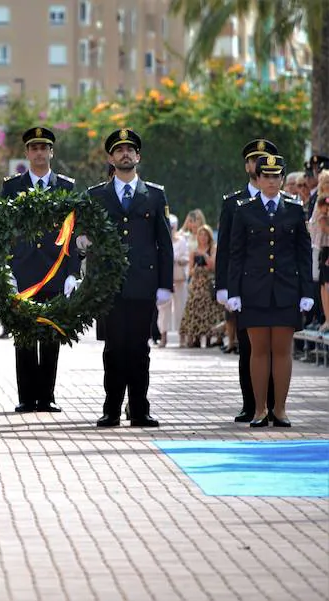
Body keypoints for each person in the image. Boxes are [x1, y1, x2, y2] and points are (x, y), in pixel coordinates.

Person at [87, 129, 172, 428]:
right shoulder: (96, 196)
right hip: (109, 286)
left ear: (138, 156)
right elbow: (83, 237)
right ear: (110, 158)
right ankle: (111, 408)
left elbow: (164, 243)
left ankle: (139, 409)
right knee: (113, 349)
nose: (125, 154)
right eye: (119, 150)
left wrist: (165, 284)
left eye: (130, 150)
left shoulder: (154, 194)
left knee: (139, 349)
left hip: (142, 285)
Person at [227, 154, 313, 427]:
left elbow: (304, 254)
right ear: (258, 177)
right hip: (254, 289)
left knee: (282, 350)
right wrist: (234, 291)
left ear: (282, 178)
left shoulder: (295, 208)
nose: (272, 181)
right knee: (259, 350)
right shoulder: (245, 209)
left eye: (277, 176)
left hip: (287, 289)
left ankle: (281, 409)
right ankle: (259, 410)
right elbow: (236, 254)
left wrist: (307, 291)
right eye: (267, 176)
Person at [0, 126, 79, 413]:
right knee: (23, 335)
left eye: (44, 148)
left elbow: (74, 232)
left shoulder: (66, 187)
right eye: (33, 148)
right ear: (26, 153)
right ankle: (26, 397)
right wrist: (5, 268)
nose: (39, 153)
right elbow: (3, 230)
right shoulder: (11, 187)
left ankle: (47, 396)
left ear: (51, 152)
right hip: (23, 271)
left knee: (50, 336)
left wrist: (73, 272)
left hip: (55, 272)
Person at [214, 138, 278, 422]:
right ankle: (250, 404)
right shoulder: (233, 203)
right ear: (247, 166)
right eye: (254, 159)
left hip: (278, 286)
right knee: (248, 347)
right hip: (245, 286)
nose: (259, 164)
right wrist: (224, 287)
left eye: (265, 159)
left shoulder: (284, 201)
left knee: (277, 347)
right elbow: (225, 248)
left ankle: (276, 404)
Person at [179, 225, 223, 347]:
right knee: (194, 309)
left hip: (208, 283)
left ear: (209, 236)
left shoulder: (213, 249)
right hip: (196, 283)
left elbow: (213, 267)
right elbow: (191, 270)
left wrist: (204, 256)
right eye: (200, 235)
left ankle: (209, 337)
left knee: (209, 310)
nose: (203, 237)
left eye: (205, 235)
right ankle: (195, 337)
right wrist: (197, 267)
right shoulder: (193, 251)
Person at [156, 214, 188, 347]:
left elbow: (186, 257)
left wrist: (179, 260)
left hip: (179, 278)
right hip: (164, 278)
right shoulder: (160, 241)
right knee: (163, 309)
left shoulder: (181, 241)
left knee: (180, 308)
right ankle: (163, 336)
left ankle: (182, 337)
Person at [309, 171, 329, 332]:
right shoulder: (320, 200)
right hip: (319, 245)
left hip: (326, 246)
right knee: (320, 284)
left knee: (325, 284)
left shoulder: (325, 201)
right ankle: (323, 318)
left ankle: (325, 318)